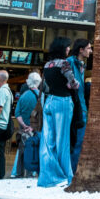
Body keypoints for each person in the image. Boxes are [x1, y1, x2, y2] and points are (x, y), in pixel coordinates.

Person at [39, 38, 79, 188]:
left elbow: (46, 85)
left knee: (47, 141)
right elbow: (73, 83)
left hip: (49, 101)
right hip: (62, 102)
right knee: (62, 141)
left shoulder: (47, 65)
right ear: (62, 48)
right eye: (67, 47)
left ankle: (48, 177)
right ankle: (64, 175)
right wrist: (74, 84)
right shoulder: (64, 63)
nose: (69, 49)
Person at [12, 71, 42, 178]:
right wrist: (32, 127)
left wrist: (24, 125)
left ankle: (19, 173)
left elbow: (17, 113)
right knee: (34, 150)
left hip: (23, 129)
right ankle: (31, 173)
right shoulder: (41, 96)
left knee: (22, 151)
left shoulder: (23, 96)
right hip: (37, 129)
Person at [68, 39, 91, 171]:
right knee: (76, 142)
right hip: (75, 107)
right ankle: (71, 171)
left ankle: (73, 170)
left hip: (80, 107)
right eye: (89, 48)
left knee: (79, 142)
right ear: (81, 50)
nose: (90, 51)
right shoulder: (70, 62)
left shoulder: (81, 65)